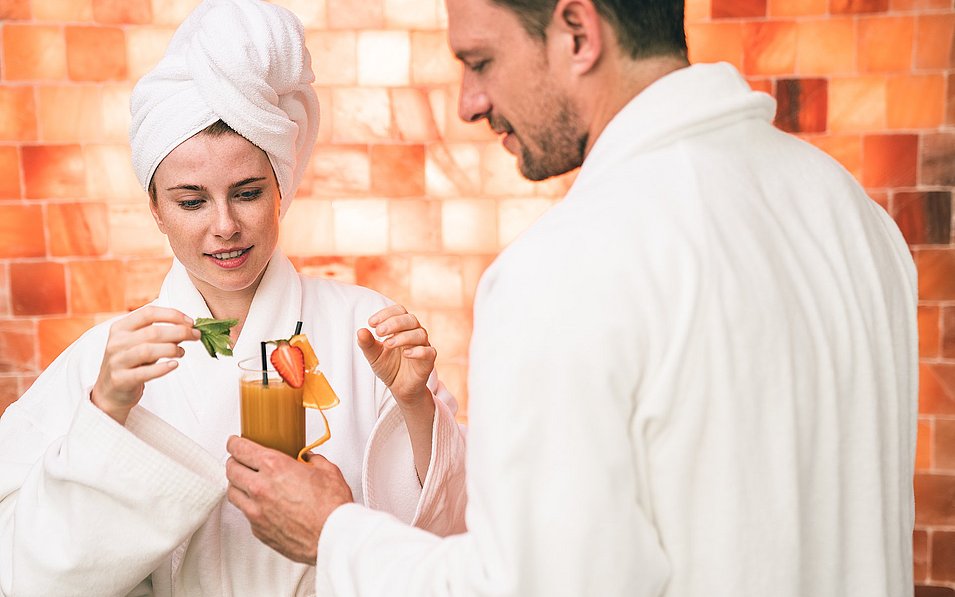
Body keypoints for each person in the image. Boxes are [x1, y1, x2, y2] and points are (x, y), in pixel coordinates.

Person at [226, 0, 918, 595]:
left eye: (480, 60)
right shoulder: (853, 217)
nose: (469, 102)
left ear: (578, 33)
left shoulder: (565, 266)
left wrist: (334, 532)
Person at [0, 1, 466, 595]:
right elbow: (22, 569)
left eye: (246, 192)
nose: (224, 226)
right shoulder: (107, 361)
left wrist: (415, 406)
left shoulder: (365, 329)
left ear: (281, 190)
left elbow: (450, 547)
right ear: (156, 210)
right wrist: (106, 410)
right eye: (191, 201)